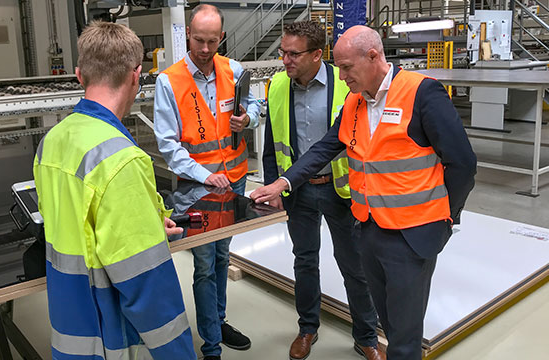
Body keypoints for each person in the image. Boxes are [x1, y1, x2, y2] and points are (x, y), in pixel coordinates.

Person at [251, 25, 477, 360]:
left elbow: (463, 165)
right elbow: (324, 149)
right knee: (389, 323)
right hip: (369, 229)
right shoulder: (356, 103)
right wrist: (283, 183)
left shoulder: (422, 93)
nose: (341, 77)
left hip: (412, 235)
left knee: (403, 339)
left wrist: (446, 218)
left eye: (346, 67)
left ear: (373, 57)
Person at [33, 21, 196, 360]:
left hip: (72, 332)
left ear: (79, 75)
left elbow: (78, 226)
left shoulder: (51, 142)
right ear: (136, 76)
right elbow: (147, 286)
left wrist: (146, 223)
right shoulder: (119, 158)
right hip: (112, 340)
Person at [263, 20, 383, 360]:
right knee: (304, 262)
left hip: (341, 190)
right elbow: (272, 146)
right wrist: (276, 189)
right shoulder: (276, 88)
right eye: (282, 52)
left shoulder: (347, 84)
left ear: (317, 54)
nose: (285, 60)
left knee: (354, 266)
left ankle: (366, 336)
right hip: (297, 194)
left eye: (293, 54)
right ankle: (307, 329)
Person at [153, 4, 261, 360]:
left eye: (212, 41)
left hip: (234, 183)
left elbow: (256, 107)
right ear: (188, 34)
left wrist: (248, 119)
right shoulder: (169, 81)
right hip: (197, 190)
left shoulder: (235, 70)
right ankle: (211, 344)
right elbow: (168, 146)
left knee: (222, 255)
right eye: (199, 40)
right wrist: (204, 175)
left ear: (222, 38)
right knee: (203, 263)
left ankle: (218, 319)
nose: (204, 48)